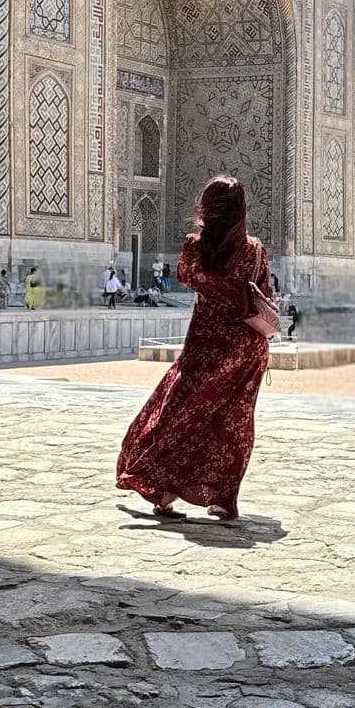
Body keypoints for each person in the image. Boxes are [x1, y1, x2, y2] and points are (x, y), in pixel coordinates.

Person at [117, 174, 273, 524]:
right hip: (247, 348)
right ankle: (222, 500)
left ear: (206, 208)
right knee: (233, 423)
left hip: (205, 347)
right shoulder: (255, 250)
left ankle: (164, 489)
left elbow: (186, 276)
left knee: (179, 415)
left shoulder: (193, 246)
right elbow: (266, 296)